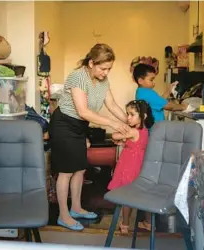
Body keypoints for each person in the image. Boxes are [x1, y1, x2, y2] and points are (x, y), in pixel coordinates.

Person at [49, 43, 131, 231]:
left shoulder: (103, 82)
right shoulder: (78, 77)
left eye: (109, 69)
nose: (105, 72)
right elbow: (83, 111)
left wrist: (128, 122)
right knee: (66, 171)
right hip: (63, 124)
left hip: (79, 127)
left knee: (79, 169)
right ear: (92, 63)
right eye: (103, 68)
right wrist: (111, 123)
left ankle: (76, 208)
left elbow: (111, 104)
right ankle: (64, 215)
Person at [108, 100, 154, 234]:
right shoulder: (145, 131)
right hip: (140, 166)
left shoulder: (134, 131)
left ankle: (125, 224)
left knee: (126, 195)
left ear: (143, 116)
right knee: (143, 195)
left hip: (129, 166)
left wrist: (118, 134)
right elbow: (133, 144)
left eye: (132, 114)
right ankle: (149, 223)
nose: (128, 118)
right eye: (127, 114)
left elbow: (115, 135)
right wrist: (123, 142)